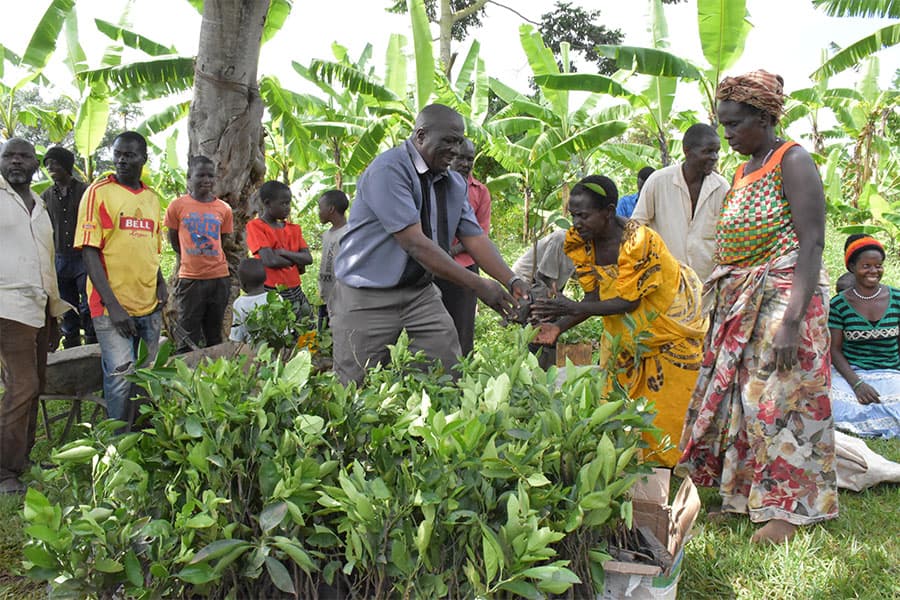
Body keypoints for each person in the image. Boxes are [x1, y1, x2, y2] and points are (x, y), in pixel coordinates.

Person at [676, 70, 837, 544]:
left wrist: (791, 321)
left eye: (734, 125)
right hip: (744, 299)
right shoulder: (747, 169)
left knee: (785, 402)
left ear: (764, 118)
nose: (726, 136)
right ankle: (746, 495)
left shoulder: (794, 160)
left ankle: (791, 510)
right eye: (722, 126)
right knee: (748, 403)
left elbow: (811, 243)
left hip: (785, 299)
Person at [331, 103, 527, 385]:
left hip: (419, 292)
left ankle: (433, 426)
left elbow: (475, 238)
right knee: (355, 382)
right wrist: (479, 285)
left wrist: (512, 280)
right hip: (367, 295)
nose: (456, 150)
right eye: (448, 140)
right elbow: (415, 244)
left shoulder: (454, 183)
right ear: (421, 135)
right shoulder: (389, 170)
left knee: (446, 367)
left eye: (459, 142)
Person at [531, 175, 707, 468]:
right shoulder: (582, 243)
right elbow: (595, 297)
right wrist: (558, 327)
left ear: (609, 211)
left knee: (670, 401)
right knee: (619, 394)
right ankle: (634, 459)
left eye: (584, 215)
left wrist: (568, 306)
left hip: (668, 323)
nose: (576, 222)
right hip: (625, 328)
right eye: (573, 214)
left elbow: (630, 301)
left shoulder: (639, 241)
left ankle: (674, 462)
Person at [75, 131, 168, 424]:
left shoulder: (152, 199)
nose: (122, 160)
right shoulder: (98, 192)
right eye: (118, 154)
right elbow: (89, 252)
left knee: (146, 376)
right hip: (110, 307)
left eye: (129, 155)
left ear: (143, 158)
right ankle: (118, 446)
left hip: (148, 304)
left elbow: (151, 248)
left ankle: (141, 438)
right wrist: (113, 306)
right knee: (121, 377)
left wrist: (161, 282)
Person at [0, 139, 70, 494]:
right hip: (6, 306)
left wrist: (53, 313)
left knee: (34, 386)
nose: (16, 161)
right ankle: (4, 471)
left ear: (34, 163)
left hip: (38, 307)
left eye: (24, 156)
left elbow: (46, 263)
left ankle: (21, 458)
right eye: (9, 156)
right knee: (22, 385)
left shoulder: (40, 205)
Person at [631, 124, 729, 283]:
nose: (714, 157)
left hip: (706, 286)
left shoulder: (722, 188)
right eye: (707, 151)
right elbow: (636, 227)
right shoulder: (658, 181)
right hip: (665, 284)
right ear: (687, 151)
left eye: (716, 151)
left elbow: (727, 237)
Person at [828, 235, 900, 438]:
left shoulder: (897, 298)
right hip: (851, 373)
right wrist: (857, 384)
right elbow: (834, 350)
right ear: (852, 267)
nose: (874, 271)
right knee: (833, 405)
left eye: (878, 265)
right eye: (866, 265)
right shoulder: (839, 305)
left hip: (890, 371)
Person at [165, 155, 234, 352]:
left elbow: (224, 240)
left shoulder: (224, 209)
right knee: (187, 334)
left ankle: (215, 378)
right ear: (189, 177)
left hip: (219, 279)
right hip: (191, 280)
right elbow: (174, 240)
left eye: (211, 176)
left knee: (214, 333)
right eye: (201, 175)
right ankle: (186, 377)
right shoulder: (177, 206)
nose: (206, 180)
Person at [434, 139, 492, 356]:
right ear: (451, 157)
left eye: (470, 159)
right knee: (432, 325)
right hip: (434, 265)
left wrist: (449, 251)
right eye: (461, 158)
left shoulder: (480, 192)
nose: (465, 164)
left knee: (463, 327)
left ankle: (461, 379)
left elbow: (480, 234)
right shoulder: (434, 185)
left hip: (465, 267)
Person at [41, 146, 95, 349]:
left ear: (66, 165)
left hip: (83, 256)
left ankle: (92, 342)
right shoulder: (46, 196)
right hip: (60, 258)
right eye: (47, 164)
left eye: (54, 163)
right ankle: (72, 345)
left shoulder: (85, 191)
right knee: (66, 305)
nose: (50, 167)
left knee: (88, 302)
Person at [246, 181, 313, 321]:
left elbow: (308, 259)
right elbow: (270, 260)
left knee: (305, 328)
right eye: (283, 203)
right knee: (279, 331)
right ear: (268, 203)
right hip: (272, 290)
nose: (288, 208)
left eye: (289, 203)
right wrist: (296, 259)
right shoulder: (256, 226)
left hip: (295, 289)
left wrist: (283, 252)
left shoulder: (294, 229)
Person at [316, 189, 349, 330]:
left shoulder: (348, 233)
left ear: (331, 209)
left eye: (320, 208)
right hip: (326, 297)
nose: (318, 212)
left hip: (342, 300)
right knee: (322, 338)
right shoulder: (326, 235)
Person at [512, 229, 575, 295]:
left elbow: (563, 276)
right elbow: (543, 276)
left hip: (543, 281)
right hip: (525, 278)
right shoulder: (562, 238)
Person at [229, 258, 269, 344]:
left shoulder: (239, 303)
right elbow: (284, 331)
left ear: (243, 284)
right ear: (266, 278)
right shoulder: (275, 297)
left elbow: (236, 335)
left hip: (251, 349)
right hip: (276, 348)